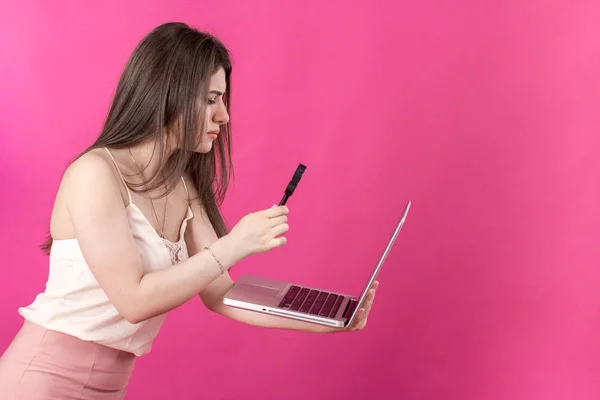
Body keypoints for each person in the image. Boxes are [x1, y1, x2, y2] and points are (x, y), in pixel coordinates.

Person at [0, 22, 379, 399]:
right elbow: (134, 301)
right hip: (40, 380)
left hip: (111, 387)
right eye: (211, 99)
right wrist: (237, 244)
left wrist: (331, 319)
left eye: (223, 100)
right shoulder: (95, 174)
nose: (224, 117)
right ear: (169, 94)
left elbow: (222, 294)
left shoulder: (185, 185)